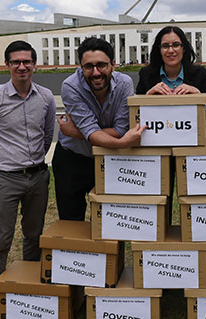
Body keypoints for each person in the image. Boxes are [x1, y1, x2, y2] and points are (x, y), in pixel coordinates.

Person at [0, 40, 56, 319]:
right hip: (5, 179)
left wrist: (36, 162)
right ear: (7, 65)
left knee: (34, 236)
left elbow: (48, 134)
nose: (22, 66)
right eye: (16, 62)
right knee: (0, 241)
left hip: (37, 177)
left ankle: (28, 290)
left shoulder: (46, 97)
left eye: (27, 61)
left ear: (35, 64)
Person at [52, 37, 145, 221]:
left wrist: (75, 132)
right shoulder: (70, 86)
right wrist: (121, 142)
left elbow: (119, 129)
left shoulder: (125, 83)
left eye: (101, 65)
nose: (95, 72)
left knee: (110, 219)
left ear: (113, 64)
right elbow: (96, 133)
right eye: (88, 66)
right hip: (72, 158)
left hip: (108, 157)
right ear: (81, 68)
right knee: (71, 220)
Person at [136, 25, 206, 128]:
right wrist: (147, 98)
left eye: (176, 45)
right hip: (156, 138)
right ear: (159, 50)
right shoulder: (146, 74)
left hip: (192, 138)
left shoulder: (199, 74)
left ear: (183, 48)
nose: (170, 50)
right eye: (165, 46)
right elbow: (135, 117)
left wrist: (199, 97)